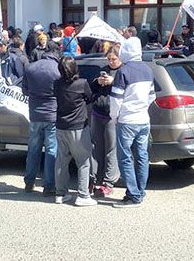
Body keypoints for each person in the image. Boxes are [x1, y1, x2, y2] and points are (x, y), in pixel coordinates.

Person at [109, 42, 155, 208]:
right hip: (144, 119)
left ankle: (133, 195)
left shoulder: (123, 71)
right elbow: (152, 96)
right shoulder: (148, 69)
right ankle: (139, 192)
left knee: (125, 158)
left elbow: (115, 100)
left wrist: (114, 117)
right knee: (142, 157)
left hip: (127, 120)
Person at [53, 57, 96, 206]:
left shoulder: (57, 84)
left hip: (60, 126)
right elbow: (91, 98)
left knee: (61, 161)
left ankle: (61, 193)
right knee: (83, 162)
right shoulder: (82, 83)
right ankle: (83, 195)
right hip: (78, 127)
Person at [22, 49, 60, 196]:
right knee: (51, 150)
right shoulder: (58, 69)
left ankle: (29, 182)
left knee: (33, 149)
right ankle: (49, 185)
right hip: (52, 114)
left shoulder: (30, 67)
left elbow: (25, 91)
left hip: (35, 114)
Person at [90, 45, 121, 198]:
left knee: (111, 149)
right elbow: (92, 89)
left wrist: (113, 82)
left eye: (113, 59)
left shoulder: (123, 71)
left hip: (112, 115)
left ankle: (109, 182)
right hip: (98, 112)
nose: (111, 62)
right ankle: (95, 179)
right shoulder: (104, 69)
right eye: (108, 59)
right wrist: (98, 81)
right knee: (97, 148)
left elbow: (126, 90)